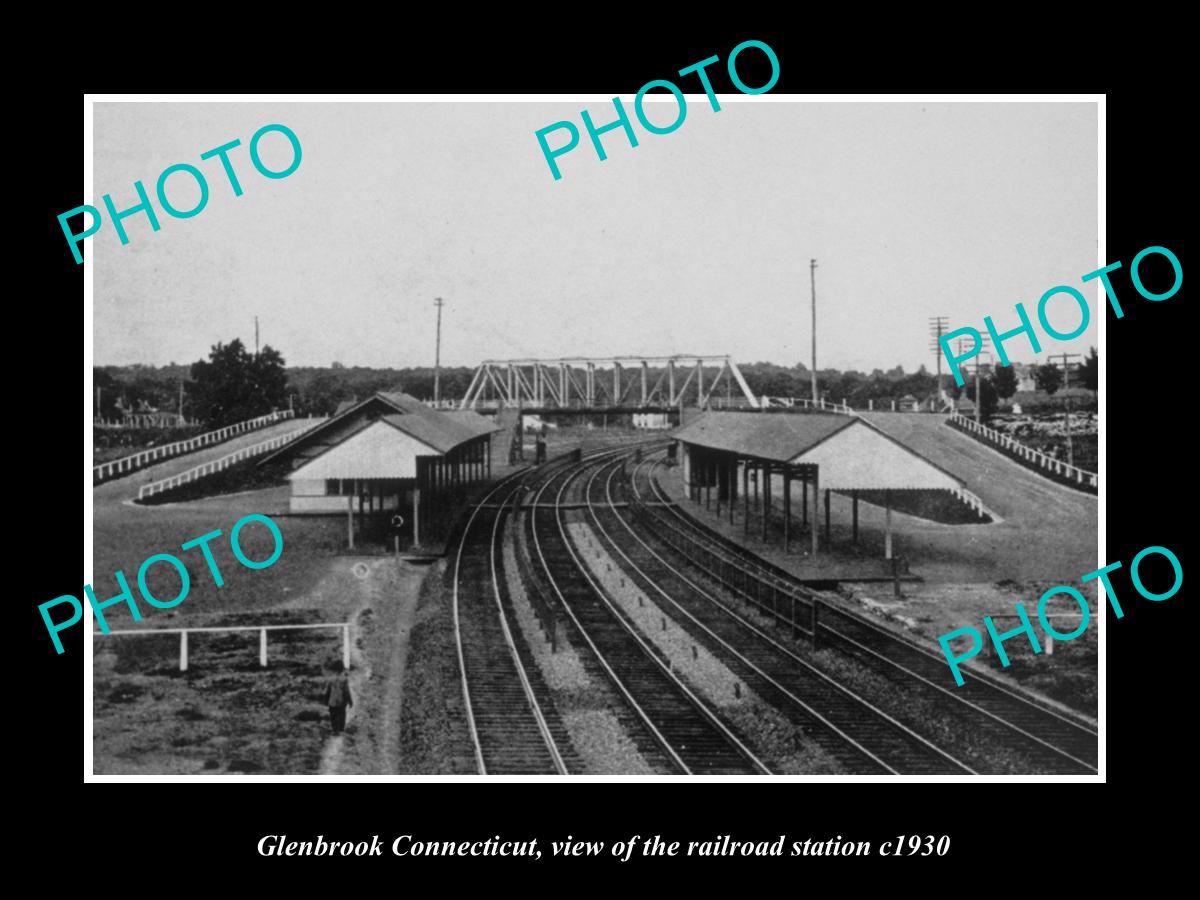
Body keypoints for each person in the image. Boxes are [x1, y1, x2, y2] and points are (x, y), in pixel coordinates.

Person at [322, 661, 353, 735]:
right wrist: (350, 701)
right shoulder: (344, 679)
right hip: (341, 700)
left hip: (332, 700)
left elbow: (327, 691)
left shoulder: (330, 679)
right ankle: (341, 729)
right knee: (342, 714)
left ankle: (334, 729)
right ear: (341, 669)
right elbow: (346, 691)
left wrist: (325, 700)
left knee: (333, 715)